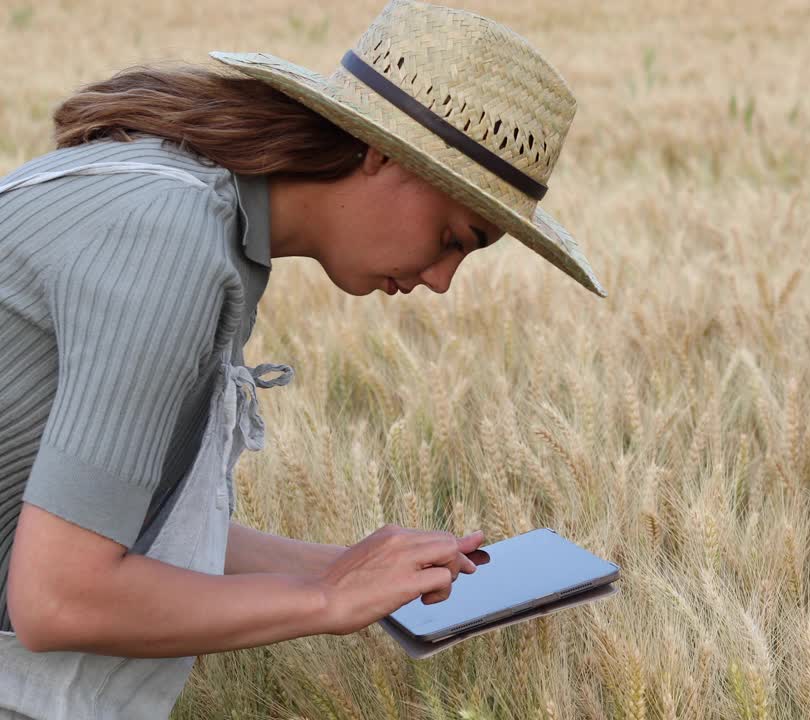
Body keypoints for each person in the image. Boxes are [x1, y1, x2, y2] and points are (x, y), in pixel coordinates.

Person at [0, 1, 605, 718]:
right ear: (382, 153)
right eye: (454, 236)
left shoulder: (189, 209)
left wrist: (347, 566)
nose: (441, 282)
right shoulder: (169, 245)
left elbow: (97, 526)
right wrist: (326, 599)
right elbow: (60, 599)